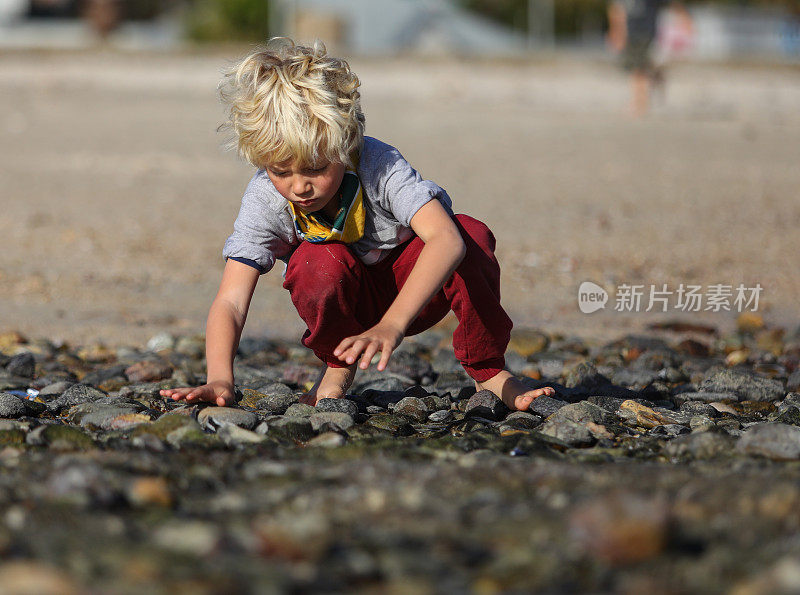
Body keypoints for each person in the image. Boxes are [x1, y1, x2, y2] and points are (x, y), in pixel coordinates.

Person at [160, 39, 555, 411]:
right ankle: (338, 364)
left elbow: (446, 240)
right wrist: (219, 378)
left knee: (470, 232)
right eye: (281, 171)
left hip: (416, 290)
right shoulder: (267, 197)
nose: (299, 186)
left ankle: (489, 371)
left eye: (316, 168)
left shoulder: (377, 163)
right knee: (316, 261)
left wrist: (391, 326)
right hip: (346, 302)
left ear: (346, 145)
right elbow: (230, 298)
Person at [607, 0, 691, 116]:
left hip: (647, 32)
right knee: (640, 67)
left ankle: (639, 103)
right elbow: (617, 11)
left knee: (638, 68)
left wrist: (684, 18)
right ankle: (655, 79)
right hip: (631, 33)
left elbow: (672, 3)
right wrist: (617, 32)